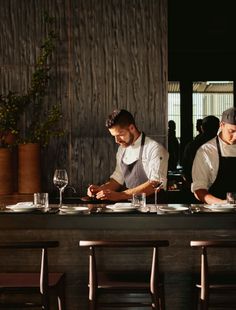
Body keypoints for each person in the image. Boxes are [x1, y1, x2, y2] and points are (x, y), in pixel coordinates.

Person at [87, 109, 169, 202]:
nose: (117, 140)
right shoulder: (122, 149)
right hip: (132, 208)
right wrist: (101, 189)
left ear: (132, 128)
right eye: (114, 136)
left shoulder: (154, 148)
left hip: (153, 209)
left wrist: (120, 195)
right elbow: (118, 179)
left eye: (120, 134)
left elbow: (155, 184)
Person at [192, 107, 236, 204]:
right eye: (231, 131)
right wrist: (222, 204)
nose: (235, 137)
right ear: (222, 125)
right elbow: (199, 189)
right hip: (216, 213)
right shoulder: (206, 151)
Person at [183, 115, 220, 184]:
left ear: (202, 127)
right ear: (218, 128)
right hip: (219, 186)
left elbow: (186, 168)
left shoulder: (192, 145)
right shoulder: (224, 146)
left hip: (196, 185)